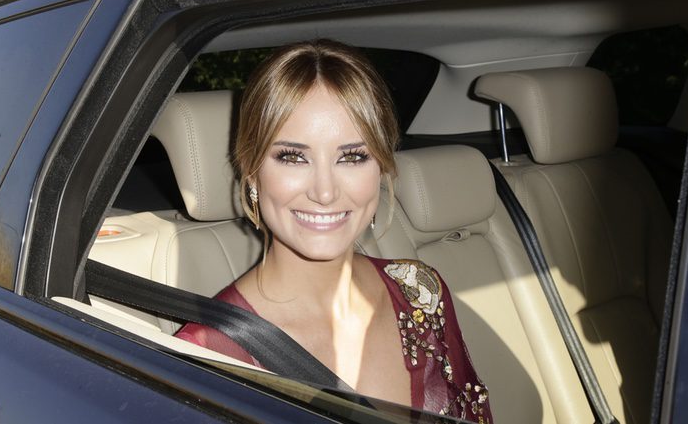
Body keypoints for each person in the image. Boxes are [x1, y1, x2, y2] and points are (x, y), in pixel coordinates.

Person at [175, 39, 492, 422]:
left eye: (352, 157)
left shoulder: (420, 291)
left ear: (383, 167)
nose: (324, 192)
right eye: (293, 157)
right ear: (251, 169)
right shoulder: (207, 355)